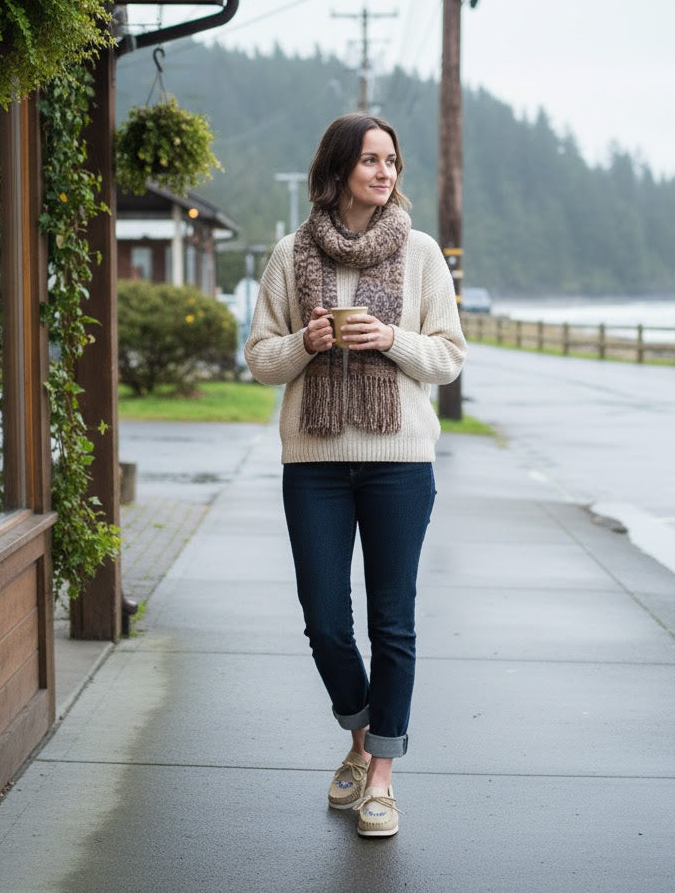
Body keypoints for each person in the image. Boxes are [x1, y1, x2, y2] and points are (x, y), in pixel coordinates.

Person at [244, 113, 466, 837]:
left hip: (398, 462)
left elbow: (448, 357)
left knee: (390, 624)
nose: (384, 172)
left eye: (392, 162)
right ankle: (359, 733)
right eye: (370, 160)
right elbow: (258, 361)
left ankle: (379, 776)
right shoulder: (290, 252)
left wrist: (391, 338)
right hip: (312, 465)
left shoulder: (421, 253)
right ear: (338, 169)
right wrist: (305, 344)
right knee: (325, 623)